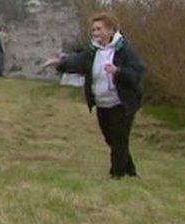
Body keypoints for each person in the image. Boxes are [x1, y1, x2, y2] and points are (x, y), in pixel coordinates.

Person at [44, 13, 146, 179]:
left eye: (99, 29)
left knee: (119, 139)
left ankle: (117, 174)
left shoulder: (125, 50)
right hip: (102, 103)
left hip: (121, 103)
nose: (95, 32)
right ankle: (130, 171)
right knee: (110, 139)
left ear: (111, 30)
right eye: (93, 29)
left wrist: (118, 71)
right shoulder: (93, 50)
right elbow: (77, 62)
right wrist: (59, 64)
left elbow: (138, 73)